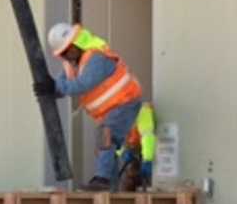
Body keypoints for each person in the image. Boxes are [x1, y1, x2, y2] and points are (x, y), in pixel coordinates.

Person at [38, 23, 153, 191]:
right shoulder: (73, 63)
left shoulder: (96, 58)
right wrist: (51, 89)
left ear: (77, 42)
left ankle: (103, 180)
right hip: (111, 108)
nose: (67, 55)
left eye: (68, 49)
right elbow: (64, 84)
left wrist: (55, 87)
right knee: (104, 145)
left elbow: (82, 85)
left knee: (106, 134)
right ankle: (110, 189)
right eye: (63, 53)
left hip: (126, 101)